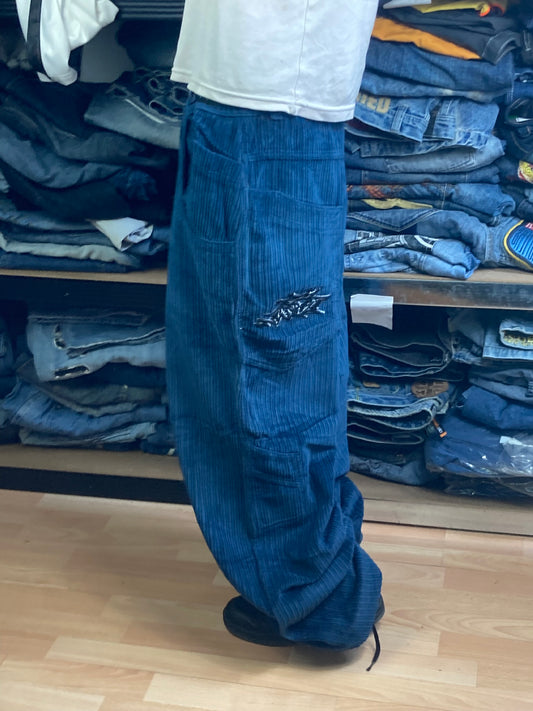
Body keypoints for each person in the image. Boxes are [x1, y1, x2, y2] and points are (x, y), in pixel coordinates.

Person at [165, 0, 384, 666]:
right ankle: (315, 580)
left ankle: (316, 596)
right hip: (256, 93)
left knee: (264, 373)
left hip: (264, 97)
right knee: (267, 365)